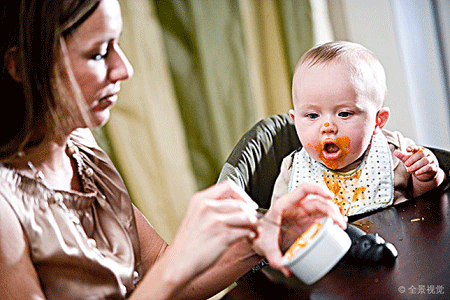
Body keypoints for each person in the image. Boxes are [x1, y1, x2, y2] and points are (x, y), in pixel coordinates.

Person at [0, 1, 346, 299]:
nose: (124, 69)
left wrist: (266, 235)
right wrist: (177, 262)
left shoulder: (81, 147)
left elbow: (162, 272)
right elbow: (168, 276)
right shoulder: (5, 209)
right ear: (21, 66)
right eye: (98, 53)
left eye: (117, 45)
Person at [271, 41, 446, 217]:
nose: (327, 127)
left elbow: (429, 204)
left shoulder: (396, 152)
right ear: (295, 120)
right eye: (312, 116)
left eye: (344, 114)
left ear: (378, 120)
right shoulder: (293, 170)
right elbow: (276, 223)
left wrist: (426, 178)